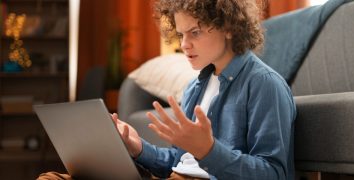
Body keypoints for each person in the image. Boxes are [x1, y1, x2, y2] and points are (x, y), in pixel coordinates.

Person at [38, 0, 296, 179]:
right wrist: (137, 147)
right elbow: (180, 161)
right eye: (181, 34)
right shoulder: (197, 85)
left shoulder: (265, 85)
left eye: (194, 32)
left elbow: (274, 173)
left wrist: (209, 151)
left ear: (228, 26)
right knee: (51, 178)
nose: (184, 45)